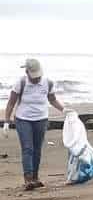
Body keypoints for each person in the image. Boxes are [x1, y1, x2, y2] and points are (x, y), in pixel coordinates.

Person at [3, 58, 66, 190]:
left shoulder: (48, 83)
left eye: (38, 76)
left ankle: (35, 177)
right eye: (34, 77)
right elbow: (11, 103)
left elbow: (52, 100)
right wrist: (7, 122)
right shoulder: (21, 82)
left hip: (41, 119)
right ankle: (28, 179)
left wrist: (65, 110)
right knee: (28, 148)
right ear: (27, 72)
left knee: (37, 149)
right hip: (23, 119)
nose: (37, 79)